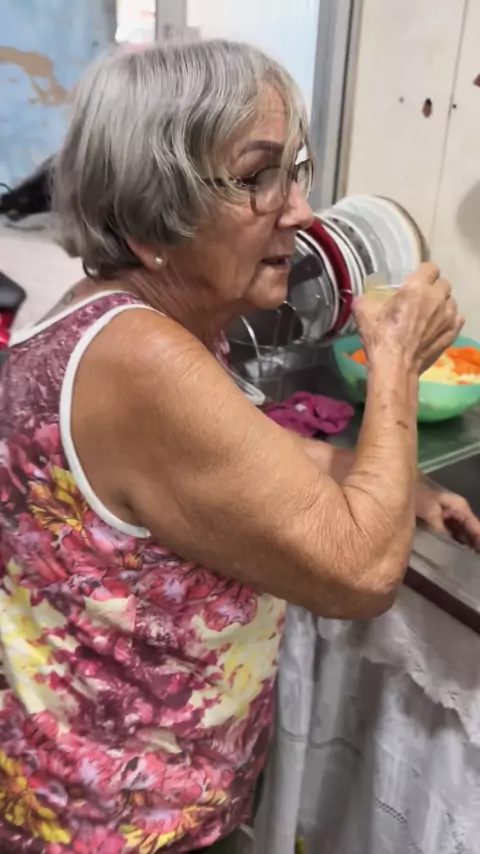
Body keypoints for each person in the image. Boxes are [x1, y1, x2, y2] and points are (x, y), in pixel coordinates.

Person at [0, 40, 478, 854]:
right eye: (258, 178)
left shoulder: (128, 318)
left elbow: (233, 449)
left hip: (119, 791)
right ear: (151, 218)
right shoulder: (143, 361)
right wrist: (396, 360)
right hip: (117, 826)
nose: (300, 211)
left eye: (294, 171)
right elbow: (362, 573)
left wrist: (377, 478)